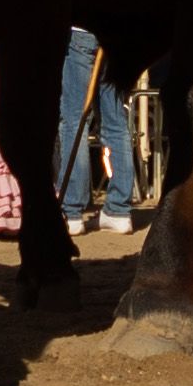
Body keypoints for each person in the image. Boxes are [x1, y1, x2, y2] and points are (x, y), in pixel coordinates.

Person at [59, 27, 134, 233]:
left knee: (75, 121)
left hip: (81, 33)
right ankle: (119, 210)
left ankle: (72, 211)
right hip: (114, 32)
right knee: (116, 123)